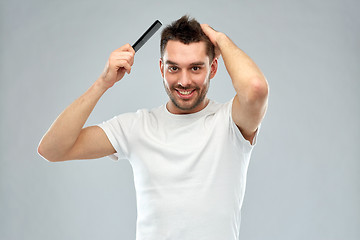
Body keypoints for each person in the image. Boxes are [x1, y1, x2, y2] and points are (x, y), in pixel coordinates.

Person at [38, 15, 269, 240]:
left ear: (213, 68)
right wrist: (103, 83)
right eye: (174, 68)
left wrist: (221, 40)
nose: (184, 81)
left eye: (196, 68)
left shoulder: (230, 121)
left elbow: (255, 88)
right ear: (161, 68)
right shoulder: (136, 126)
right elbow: (52, 149)